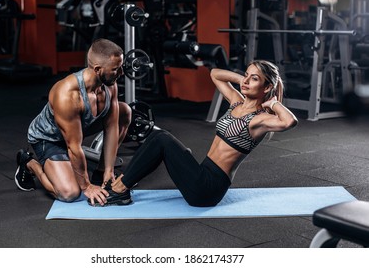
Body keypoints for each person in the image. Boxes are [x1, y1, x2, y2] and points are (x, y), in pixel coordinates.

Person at [95, 60, 298, 207]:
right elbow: (215, 74)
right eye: (247, 75)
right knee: (158, 137)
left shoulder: (260, 119)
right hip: (202, 173)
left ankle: (120, 188)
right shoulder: (237, 101)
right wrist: (243, 80)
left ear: (267, 86)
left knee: (163, 139)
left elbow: (289, 121)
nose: (246, 81)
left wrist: (273, 102)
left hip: (209, 188)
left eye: (254, 79)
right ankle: (123, 184)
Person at [15, 38, 131, 206]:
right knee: (70, 193)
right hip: (49, 139)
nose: (121, 73)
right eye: (116, 69)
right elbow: (74, 147)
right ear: (98, 69)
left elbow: (112, 126)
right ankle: (30, 164)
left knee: (125, 111)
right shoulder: (67, 95)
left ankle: (99, 172)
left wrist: (108, 170)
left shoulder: (109, 84)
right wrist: (87, 186)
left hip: (77, 129)